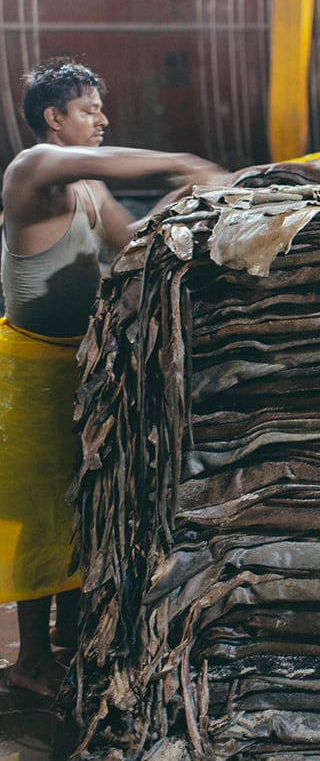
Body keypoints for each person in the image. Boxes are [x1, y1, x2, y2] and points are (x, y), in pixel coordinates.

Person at [0, 57, 228, 698]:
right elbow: (110, 163)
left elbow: (130, 241)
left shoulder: (88, 188)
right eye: (88, 110)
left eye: (101, 109)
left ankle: (68, 635)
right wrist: (182, 160)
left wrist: (186, 198)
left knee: (77, 503)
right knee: (39, 514)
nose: (101, 120)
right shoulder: (34, 167)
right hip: (29, 372)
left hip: (77, 367)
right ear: (54, 117)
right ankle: (30, 661)